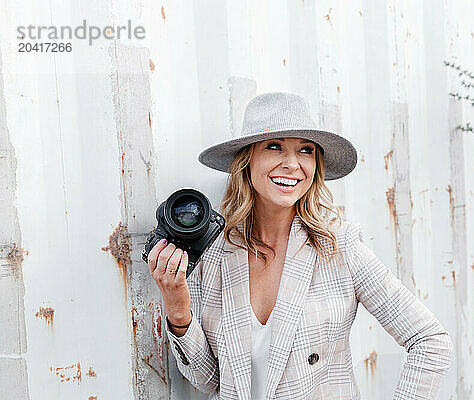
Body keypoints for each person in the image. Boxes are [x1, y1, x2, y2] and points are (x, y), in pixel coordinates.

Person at [146, 92, 453, 399]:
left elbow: (430, 341)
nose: (292, 164)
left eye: (305, 150)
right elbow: (210, 381)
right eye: (275, 146)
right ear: (247, 160)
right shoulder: (215, 253)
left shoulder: (338, 247)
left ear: (315, 165)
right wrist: (177, 307)